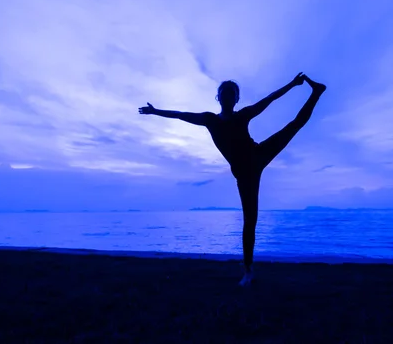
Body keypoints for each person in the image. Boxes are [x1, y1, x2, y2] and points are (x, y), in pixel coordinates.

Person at [139, 72, 326, 286]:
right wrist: (155, 111)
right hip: (245, 174)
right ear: (218, 98)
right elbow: (181, 114)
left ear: (236, 99)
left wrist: (293, 84)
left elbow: (270, 98)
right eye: (224, 93)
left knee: (294, 125)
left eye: (232, 94)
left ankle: (316, 92)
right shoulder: (209, 119)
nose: (227, 97)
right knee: (250, 221)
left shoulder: (243, 115)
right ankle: (248, 270)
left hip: (259, 155)